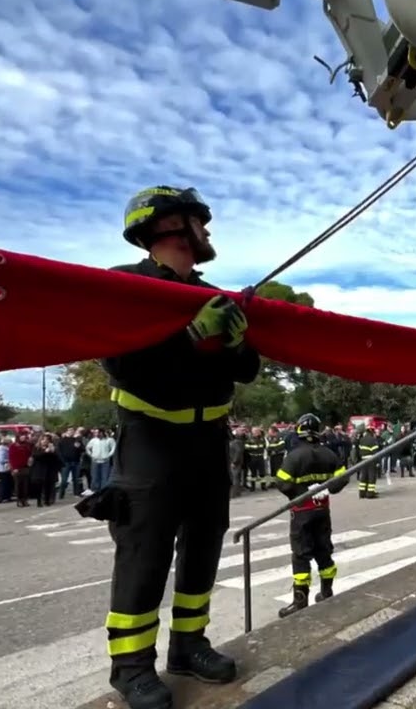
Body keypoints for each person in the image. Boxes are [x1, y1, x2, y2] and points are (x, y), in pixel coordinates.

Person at [79, 185, 261, 709]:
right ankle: (132, 668)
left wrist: (233, 341)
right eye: (198, 221)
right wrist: (187, 338)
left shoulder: (213, 296)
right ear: (168, 228)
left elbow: (246, 369)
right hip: (151, 441)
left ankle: (189, 646)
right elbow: (125, 366)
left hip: (209, 441)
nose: (207, 230)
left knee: (203, 547)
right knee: (145, 555)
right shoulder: (124, 288)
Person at [273, 413, 350, 618]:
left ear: (299, 431)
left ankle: (300, 601)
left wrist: (298, 494)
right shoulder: (329, 455)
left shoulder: (295, 456)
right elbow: (343, 477)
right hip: (322, 511)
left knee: (301, 555)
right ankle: (326, 592)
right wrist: (328, 489)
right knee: (323, 549)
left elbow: (281, 482)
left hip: (301, 513)